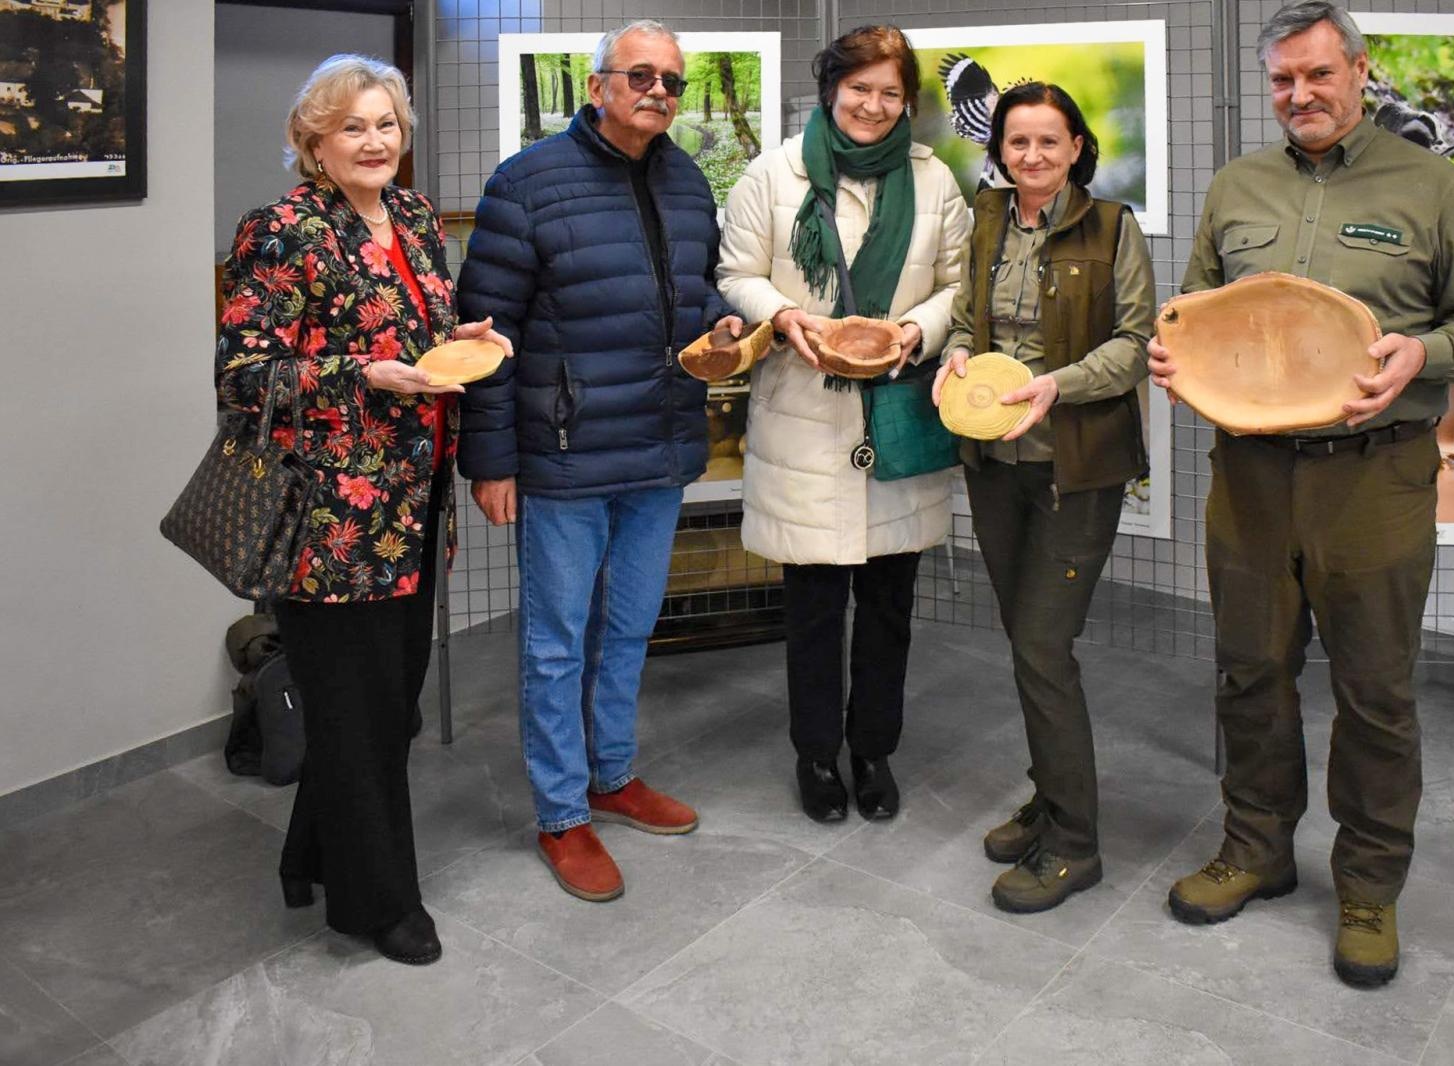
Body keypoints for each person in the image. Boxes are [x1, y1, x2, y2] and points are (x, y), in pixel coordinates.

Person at [1148, 0, 1454, 987]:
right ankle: (1256, 849)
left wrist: (1420, 352)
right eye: (1280, 80)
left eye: (1316, 74)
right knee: (1247, 673)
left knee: (1376, 693)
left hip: (1375, 475)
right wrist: (1168, 354)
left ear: (1359, 72)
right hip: (1252, 479)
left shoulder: (1431, 185)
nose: (1298, 95)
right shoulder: (1238, 185)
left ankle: (1366, 886)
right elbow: (1189, 312)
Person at [215, 54, 511, 965]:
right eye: (353, 127)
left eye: (386, 124)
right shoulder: (281, 230)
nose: (375, 141)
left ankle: (309, 851)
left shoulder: (416, 220)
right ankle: (377, 903)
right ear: (313, 141)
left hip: (414, 508)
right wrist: (360, 373)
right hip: (328, 524)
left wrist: (459, 342)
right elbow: (244, 373)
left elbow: (418, 336)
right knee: (360, 712)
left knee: (383, 708)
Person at [456, 20, 741, 903]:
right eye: (641, 74)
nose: (659, 90)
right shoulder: (526, 184)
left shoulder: (689, 180)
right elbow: (485, 338)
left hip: (658, 450)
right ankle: (560, 814)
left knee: (626, 631)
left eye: (673, 80)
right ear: (597, 84)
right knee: (554, 646)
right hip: (563, 457)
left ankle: (613, 776)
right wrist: (490, 462)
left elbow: (694, 287)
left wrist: (722, 320)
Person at [717, 25, 970, 824]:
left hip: (898, 410)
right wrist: (783, 313)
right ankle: (817, 755)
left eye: (890, 92)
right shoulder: (774, 172)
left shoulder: (935, 182)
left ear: (908, 103)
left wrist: (916, 332)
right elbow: (736, 272)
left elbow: (963, 284)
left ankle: (873, 751)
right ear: (831, 89)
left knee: (891, 606)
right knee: (815, 610)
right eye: (859, 88)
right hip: (803, 413)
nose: (873, 105)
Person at [932, 82, 1156, 913]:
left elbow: (1136, 344)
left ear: (1075, 148)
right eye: (1016, 142)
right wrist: (957, 356)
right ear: (999, 149)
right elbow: (965, 317)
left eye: (1047, 143)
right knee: (1024, 642)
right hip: (995, 461)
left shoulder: (1113, 228)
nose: (1030, 156)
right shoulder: (985, 219)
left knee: (1042, 649)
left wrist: (1053, 385)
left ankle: (1075, 842)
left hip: (1076, 467)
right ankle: (1050, 794)